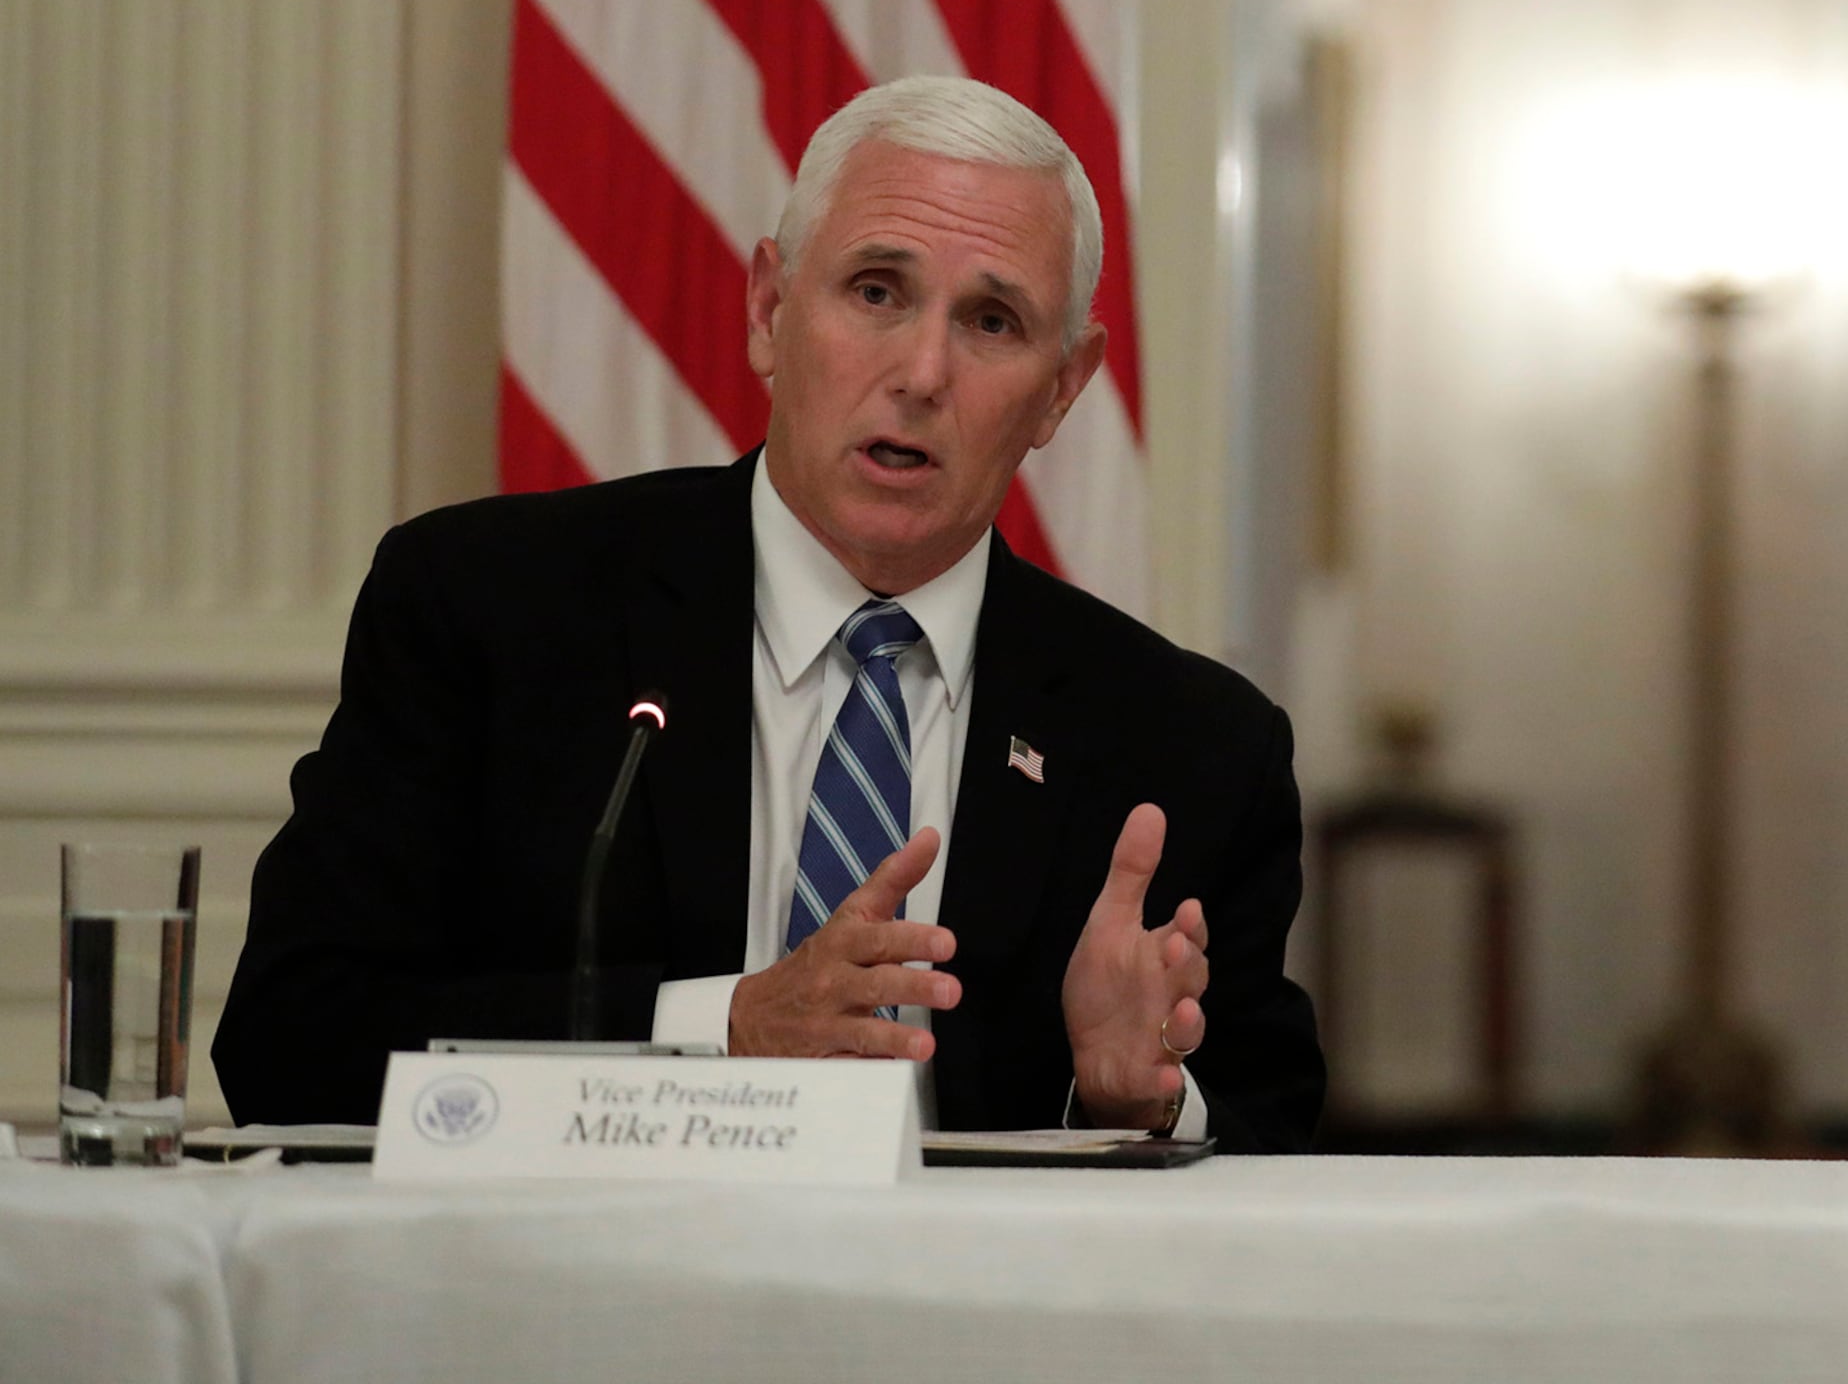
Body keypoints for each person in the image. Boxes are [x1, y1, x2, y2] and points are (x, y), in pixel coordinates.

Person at [218, 78, 1324, 1148]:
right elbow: (290, 1035)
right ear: (769, 310)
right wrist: (719, 1028)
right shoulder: (492, 613)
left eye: (993, 321)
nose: (923, 371)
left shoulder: (1189, 749)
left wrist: (1143, 1107)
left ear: (1063, 388)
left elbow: (1277, 1135)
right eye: (877, 291)